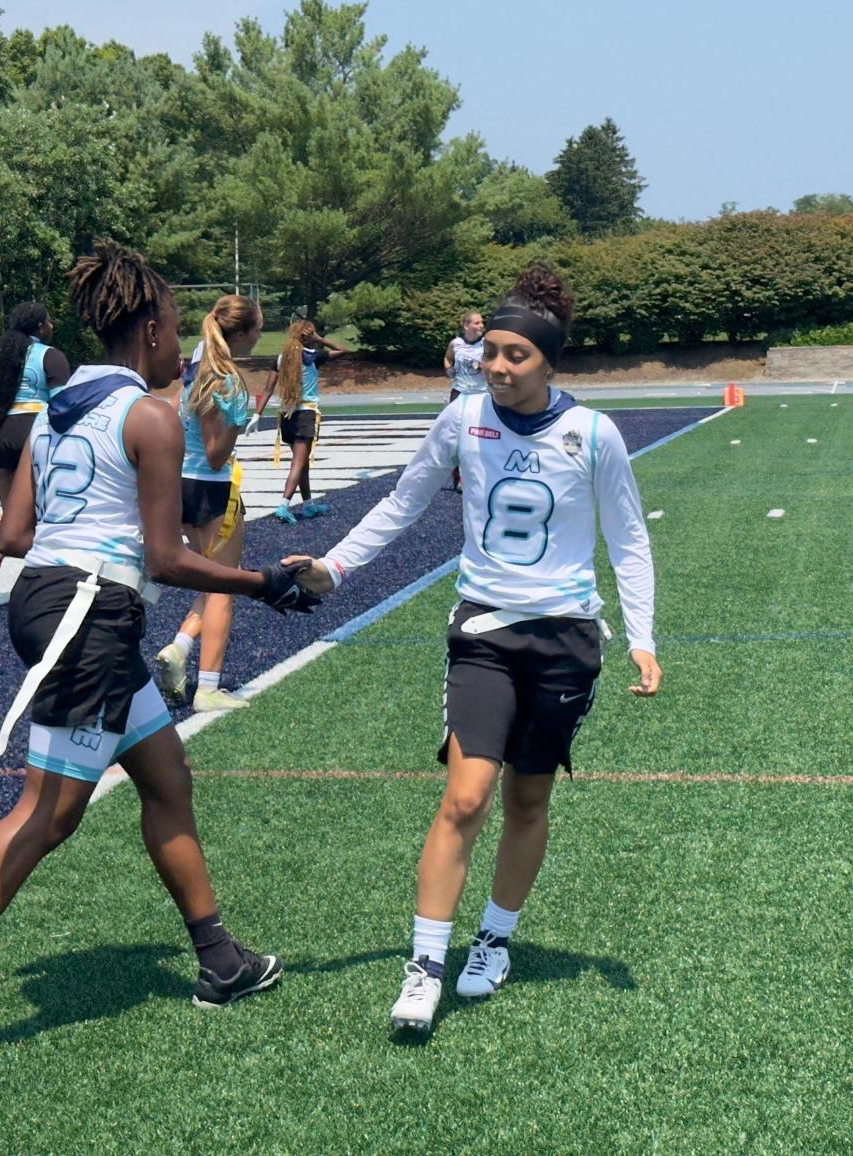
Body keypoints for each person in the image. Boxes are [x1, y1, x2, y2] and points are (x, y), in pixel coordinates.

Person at [0, 240, 320, 1073]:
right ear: (148, 328)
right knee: (50, 813)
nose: (179, 344)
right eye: (175, 328)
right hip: (90, 614)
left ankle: (218, 959)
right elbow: (166, 559)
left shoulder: (59, 406)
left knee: (166, 778)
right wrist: (264, 583)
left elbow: (14, 533)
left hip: (55, 598)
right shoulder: (144, 414)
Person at [285, 264, 661, 1039]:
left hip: (565, 640)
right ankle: (424, 966)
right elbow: (403, 501)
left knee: (528, 800)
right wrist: (334, 567)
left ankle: (493, 940)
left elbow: (627, 538)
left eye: (514, 355)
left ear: (549, 363)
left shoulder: (591, 434)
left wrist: (642, 637)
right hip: (483, 631)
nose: (495, 366)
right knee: (465, 795)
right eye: (489, 350)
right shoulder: (461, 421)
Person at [155, 294, 263, 712]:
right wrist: (240, 419)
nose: (258, 337)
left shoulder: (195, 374)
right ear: (242, 333)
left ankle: (180, 648)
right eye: (256, 329)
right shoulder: (226, 379)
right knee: (224, 585)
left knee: (207, 578)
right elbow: (217, 452)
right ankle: (209, 687)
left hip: (182, 484)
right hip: (212, 486)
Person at [0, 302, 72, 607]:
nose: (52, 326)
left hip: (2, 433)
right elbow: (62, 406)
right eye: (50, 322)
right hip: (36, 431)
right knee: (46, 513)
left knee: (10, 513)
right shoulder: (51, 356)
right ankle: (47, 581)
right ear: (41, 326)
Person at [248, 319, 346, 523]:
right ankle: (284, 504)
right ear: (307, 336)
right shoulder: (312, 356)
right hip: (305, 414)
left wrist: (257, 414)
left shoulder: (281, 358)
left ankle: (308, 504)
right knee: (298, 462)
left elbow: (268, 389)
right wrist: (320, 339)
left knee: (302, 464)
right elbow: (342, 350)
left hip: (286, 414)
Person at [444, 311, 486, 491]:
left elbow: (498, 362)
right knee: (456, 436)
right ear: (466, 326)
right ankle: (458, 476)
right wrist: (449, 370)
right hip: (460, 392)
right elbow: (447, 359)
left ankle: (482, 475)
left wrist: (486, 367)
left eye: (482, 322)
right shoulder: (456, 343)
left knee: (481, 435)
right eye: (477, 323)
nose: (481, 326)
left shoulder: (487, 343)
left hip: (482, 394)